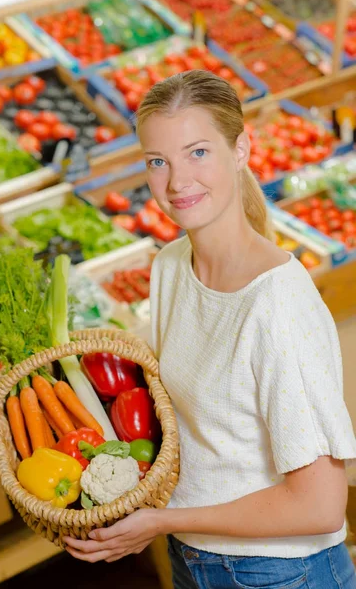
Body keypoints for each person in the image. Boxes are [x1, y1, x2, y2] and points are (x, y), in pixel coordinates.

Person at [64, 70, 356, 588]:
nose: (177, 182)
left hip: (282, 572)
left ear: (241, 148)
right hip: (194, 557)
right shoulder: (172, 265)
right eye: (159, 161)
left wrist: (162, 520)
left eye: (198, 152)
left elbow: (320, 506)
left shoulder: (277, 304)